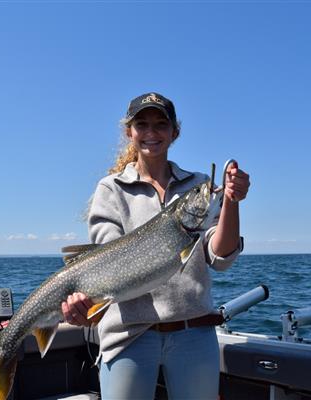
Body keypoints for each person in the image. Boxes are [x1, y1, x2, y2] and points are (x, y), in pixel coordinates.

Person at [61, 92, 250, 399]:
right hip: (128, 336)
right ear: (129, 132)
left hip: (195, 331)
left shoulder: (197, 184)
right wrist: (84, 304)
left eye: (161, 124)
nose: (151, 133)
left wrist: (231, 202)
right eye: (142, 125)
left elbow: (221, 257)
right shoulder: (111, 189)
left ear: (175, 132)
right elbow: (108, 263)